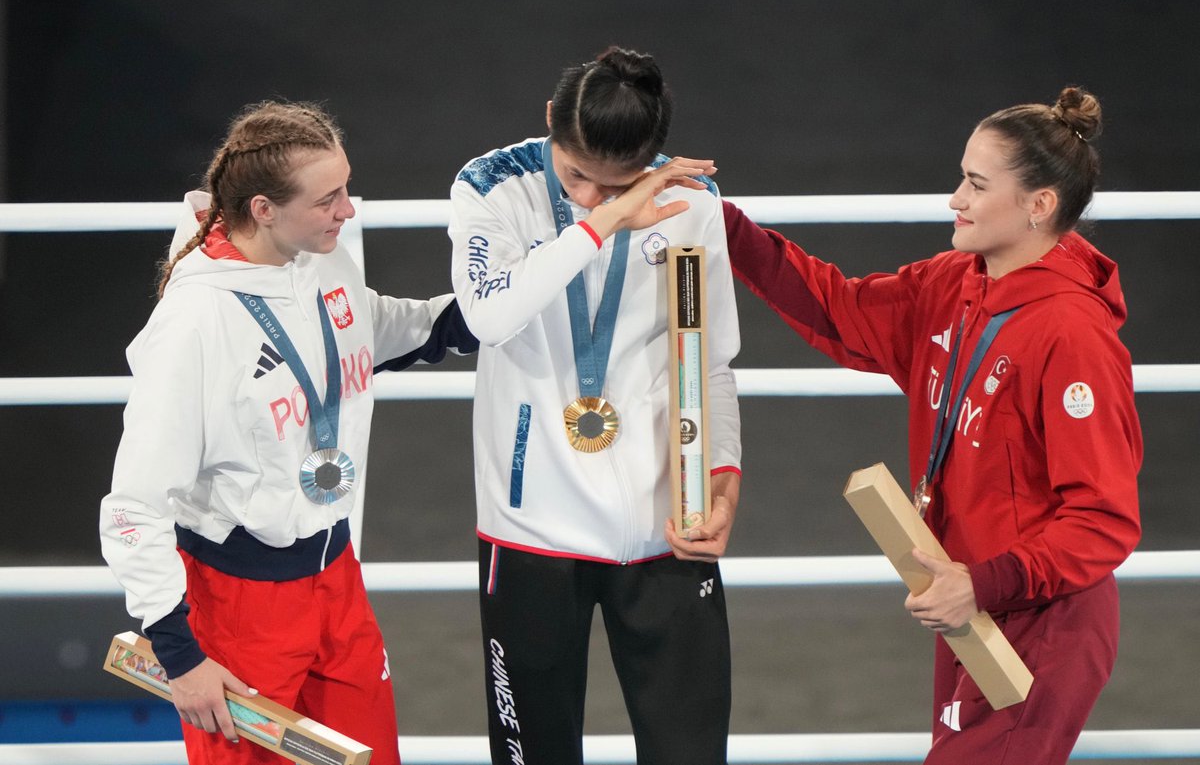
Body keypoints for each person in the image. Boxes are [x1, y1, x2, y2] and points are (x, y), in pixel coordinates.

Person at [722, 87, 1141, 764]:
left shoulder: (1073, 335)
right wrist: (720, 224)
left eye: (977, 184)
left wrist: (981, 584)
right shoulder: (954, 283)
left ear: (1039, 205)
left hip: (1040, 621)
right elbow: (839, 310)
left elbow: (1103, 520)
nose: (955, 199)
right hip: (971, 606)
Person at [100, 100, 477, 765]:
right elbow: (133, 505)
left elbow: (376, 329)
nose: (347, 211)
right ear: (264, 209)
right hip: (238, 609)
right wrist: (180, 656)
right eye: (328, 199)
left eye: (346, 189)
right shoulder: (194, 324)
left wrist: (495, 308)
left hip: (336, 575)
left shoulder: (319, 257)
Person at [448, 46, 743, 765]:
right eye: (576, 176)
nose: (590, 195)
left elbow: (710, 359)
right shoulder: (491, 185)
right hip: (530, 528)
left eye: (616, 184)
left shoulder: (692, 202)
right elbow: (488, 315)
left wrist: (721, 480)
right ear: (551, 119)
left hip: (665, 523)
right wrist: (607, 221)